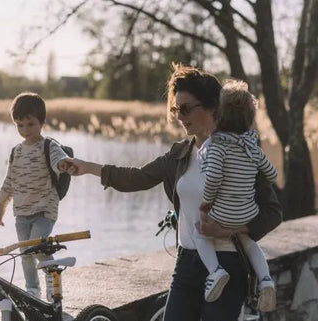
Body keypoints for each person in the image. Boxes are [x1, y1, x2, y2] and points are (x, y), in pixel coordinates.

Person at [64, 64, 282, 321]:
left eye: (186, 108)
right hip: (187, 263)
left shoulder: (239, 151)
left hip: (228, 262)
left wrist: (230, 230)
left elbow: (273, 212)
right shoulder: (181, 153)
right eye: (176, 109)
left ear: (213, 107)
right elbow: (138, 177)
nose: (179, 116)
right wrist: (88, 167)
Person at [194, 79, 277, 311]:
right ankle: (266, 280)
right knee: (249, 242)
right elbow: (272, 174)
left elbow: (213, 178)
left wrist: (205, 204)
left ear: (220, 115)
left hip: (223, 214)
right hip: (248, 214)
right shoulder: (252, 146)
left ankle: (216, 272)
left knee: (198, 232)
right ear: (250, 118)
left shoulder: (218, 146)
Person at [0, 92, 70, 301]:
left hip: (44, 209)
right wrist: (2, 206)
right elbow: (9, 181)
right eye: (20, 125)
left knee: (38, 249)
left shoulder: (48, 146)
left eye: (30, 124)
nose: (25, 130)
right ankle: (32, 290)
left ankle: (52, 278)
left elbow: (58, 159)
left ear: (41, 122)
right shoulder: (16, 152)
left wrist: (62, 165)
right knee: (26, 254)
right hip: (22, 212)